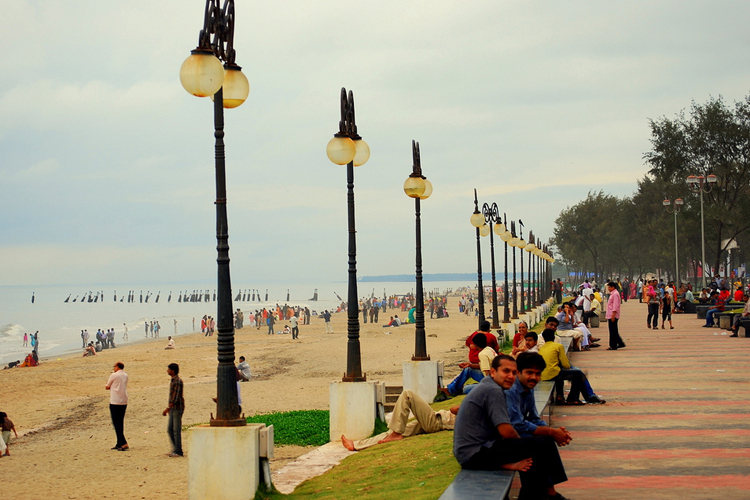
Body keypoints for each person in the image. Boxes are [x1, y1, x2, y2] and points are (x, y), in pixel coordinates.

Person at [453, 355, 569, 500]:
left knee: (538, 444)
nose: (510, 376)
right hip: (475, 453)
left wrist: (539, 438)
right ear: (493, 372)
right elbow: (507, 431)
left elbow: (530, 420)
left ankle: (545, 494)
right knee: (539, 446)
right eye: (506, 371)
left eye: (513, 373)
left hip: (482, 449)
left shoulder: (493, 387)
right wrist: (527, 444)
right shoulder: (493, 390)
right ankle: (548, 495)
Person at [341, 390, 458, 451]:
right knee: (393, 432)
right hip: (439, 420)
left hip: (438, 422)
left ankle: (396, 433)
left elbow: (454, 409)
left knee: (408, 394)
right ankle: (356, 445)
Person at [506, 352, 573, 445]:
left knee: (546, 439)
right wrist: (550, 432)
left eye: (538, 374)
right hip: (495, 440)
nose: (534, 377)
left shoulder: (529, 388)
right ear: (518, 372)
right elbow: (517, 425)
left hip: (517, 433)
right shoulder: (510, 391)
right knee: (543, 441)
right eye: (529, 372)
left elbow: (534, 418)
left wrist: (553, 432)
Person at [538, 329, 605, 406]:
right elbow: (565, 364)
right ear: (554, 337)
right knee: (578, 374)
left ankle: (561, 396)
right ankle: (574, 398)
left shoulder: (541, 349)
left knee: (563, 373)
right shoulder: (558, 346)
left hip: (544, 375)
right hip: (554, 374)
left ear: (543, 338)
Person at [105, 361, 129, 451]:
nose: (113, 368)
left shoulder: (114, 375)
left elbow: (107, 386)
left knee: (116, 422)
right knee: (120, 422)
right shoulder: (125, 375)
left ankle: (123, 442)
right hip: (123, 400)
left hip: (115, 401)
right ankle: (119, 442)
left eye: (114, 366)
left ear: (117, 367)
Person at [162, 363, 184, 457]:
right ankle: (175, 449)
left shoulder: (177, 381)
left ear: (173, 370)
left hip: (177, 408)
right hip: (173, 409)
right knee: (170, 429)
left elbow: (175, 398)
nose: (167, 371)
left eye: (169, 369)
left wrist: (167, 408)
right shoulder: (173, 380)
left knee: (176, 430)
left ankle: (178, 451)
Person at [606, 281, 626, 350]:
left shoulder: (615, 294)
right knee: (614, 330)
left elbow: (615, 304)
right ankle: (620, 343)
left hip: (613, 314)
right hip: (610, 314)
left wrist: (613, 314)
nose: (608, 288)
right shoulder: (613, 293)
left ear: (613, 287)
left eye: (609, 287)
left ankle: (613, 345)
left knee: (612, 330)